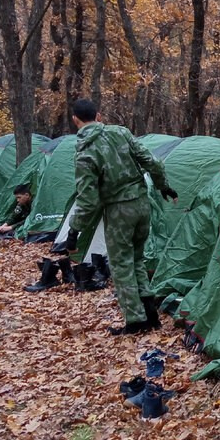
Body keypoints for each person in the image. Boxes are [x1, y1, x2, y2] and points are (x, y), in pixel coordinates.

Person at [60, 98, 178, 335]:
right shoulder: (121, 133)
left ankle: (135, 321)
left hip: (118, 210)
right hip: (143, 205)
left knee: (121, 264)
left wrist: (74, 231)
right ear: (99, 116)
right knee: (137, 259)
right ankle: (150, 312)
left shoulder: (84, 154)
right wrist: (163, 186)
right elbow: (151, 161)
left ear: (75, 120)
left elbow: (88, 199)